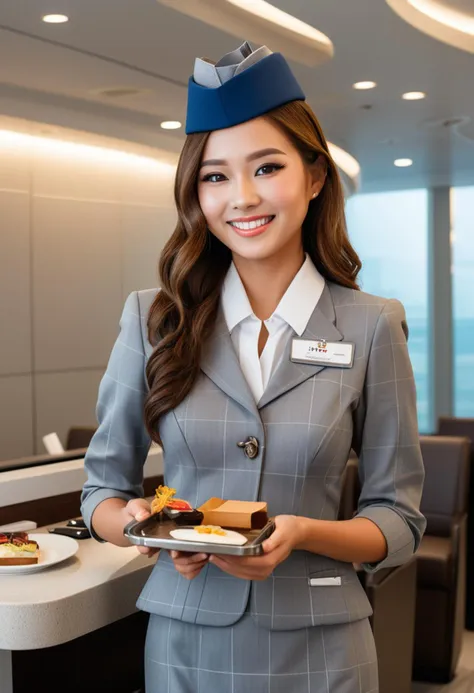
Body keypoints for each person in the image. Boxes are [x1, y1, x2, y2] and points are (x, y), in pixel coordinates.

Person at [81, 40, 426, 693]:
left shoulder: (372, 324)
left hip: (325, 646)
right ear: (195, 192)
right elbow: (101, 490)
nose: (242, 197)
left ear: (315, 176)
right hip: (187, 643)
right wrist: (143, 529)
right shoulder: (152, 319)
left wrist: (302, 532)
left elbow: (399, 521)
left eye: (266, 167)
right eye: (215, 176)